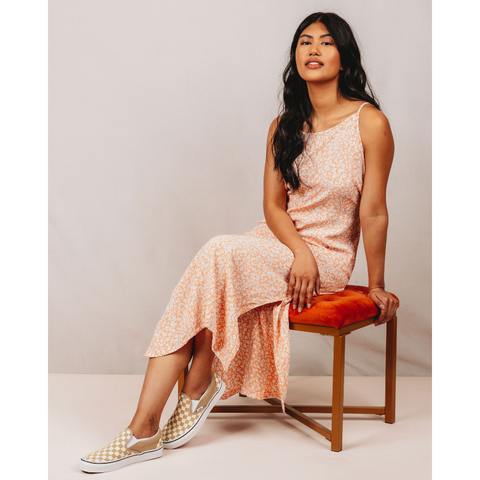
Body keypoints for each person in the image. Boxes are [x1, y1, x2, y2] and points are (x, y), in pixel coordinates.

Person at [79, 11, 399, 473]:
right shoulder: (283, 125)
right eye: (305, 41)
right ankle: (168, 408)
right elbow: (273, 207)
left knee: (218, 253)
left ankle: (157, 418)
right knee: (219, 263)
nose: (313, 49)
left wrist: (377, 284)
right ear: (295, 56)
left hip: (326, 259)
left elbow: (373, 211)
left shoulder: (370, 123)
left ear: (344, 56)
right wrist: (298, 251)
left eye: (326, 42)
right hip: (282, 245)